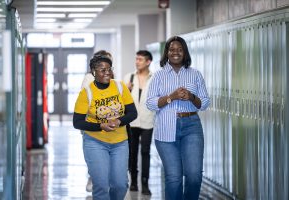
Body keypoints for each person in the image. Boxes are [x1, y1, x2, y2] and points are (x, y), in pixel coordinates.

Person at [146, 36, 210, 200]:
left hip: (191, 126)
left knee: (194, 175)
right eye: (172, 49)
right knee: (174, 177)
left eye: (180, 49)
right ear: (166, 52)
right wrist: (171, 97)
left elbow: (204, 103)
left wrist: (191, 96)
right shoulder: (158, 76)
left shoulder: (195, 74)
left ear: (185, 52)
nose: (176, 53)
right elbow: (151, 103)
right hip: (166, 129)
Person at [73, 54, 137, 200]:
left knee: (120, 184)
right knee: (101, 185)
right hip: (95, 142)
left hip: (120, 142)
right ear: (93, 72)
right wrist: (100, 126)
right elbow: (77, 122)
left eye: (109, 69)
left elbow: (133, 113)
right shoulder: (86, 93)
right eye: (102, 69)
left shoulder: (120, 87)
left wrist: (120, 121)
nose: (107, 72)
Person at [80, 50, 113, 192]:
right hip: (93, 124)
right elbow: (87, 101)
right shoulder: (89, 78)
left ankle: (105, 180)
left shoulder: (112, 79)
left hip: (111, 125)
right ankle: (93, 177)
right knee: (95, 155)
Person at [123, 50, 155, 195]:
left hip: (148, 120)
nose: (137, 62)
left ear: (148, 62)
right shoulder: (128, 77)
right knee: (132, 152)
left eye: (140, 59)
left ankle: (145, 183)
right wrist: (126, 90)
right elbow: (120, 100)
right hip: (132, 121)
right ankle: (134, 182)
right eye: (136, 59)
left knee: (145, 151)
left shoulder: (154, 78)